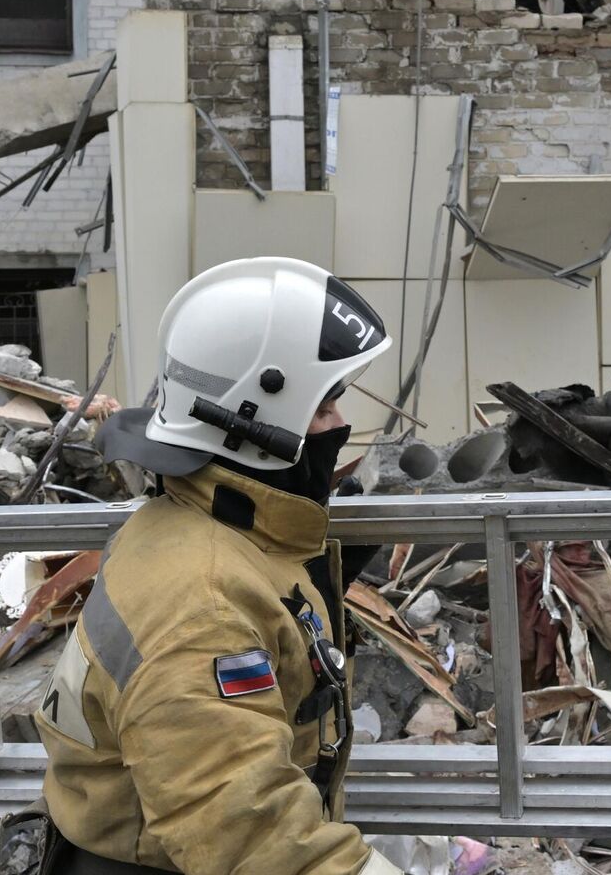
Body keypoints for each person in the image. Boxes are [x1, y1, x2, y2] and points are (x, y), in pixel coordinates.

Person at [32, 257, 405, 875]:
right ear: (253, 427)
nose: (341, 426)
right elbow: (253, 835)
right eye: (323, 408)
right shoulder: (201, 605)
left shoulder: (205, 527)